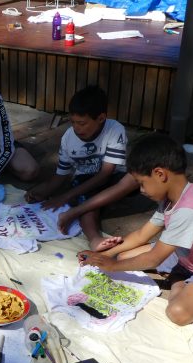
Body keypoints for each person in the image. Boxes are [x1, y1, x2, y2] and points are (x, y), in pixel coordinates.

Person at [79, 133, 193, 326]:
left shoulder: (189, 210)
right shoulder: (171, 198)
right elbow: (140, 235)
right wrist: (102, 255)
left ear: (160, 174)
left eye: (142, 183)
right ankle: (179, 269)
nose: (142, 191)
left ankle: (177, 277)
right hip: (188, 255)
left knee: (177, 313)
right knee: (124, 258)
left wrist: (110, 266)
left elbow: (154, 258)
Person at [24, 86, 138, 250]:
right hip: (84, 183)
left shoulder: (115, 129)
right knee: (88, 203)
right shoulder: (68, 138)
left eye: (82, 123)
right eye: (73, 122)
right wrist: (42, 191)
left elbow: (106, 174)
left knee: (135, 177)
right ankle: (94, 239)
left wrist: (65, 196)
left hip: (111, 179)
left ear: (101, 118)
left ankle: (75, 211)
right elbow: (60, 175)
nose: (77, 128)